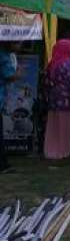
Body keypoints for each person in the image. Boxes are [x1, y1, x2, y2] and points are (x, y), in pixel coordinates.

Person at [43, 40, 70, 160]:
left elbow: (46, 82)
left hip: (54, 99)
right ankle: (63, 151)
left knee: (54, 127)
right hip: (67, 100)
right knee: (65, 126)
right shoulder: (67, 64)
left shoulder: (52, 63)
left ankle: (51, 150)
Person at [0, 43, 21, 173]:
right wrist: (18, 72)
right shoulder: (3, 56)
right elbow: (9, 76)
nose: (20, 44)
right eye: (17, 42)